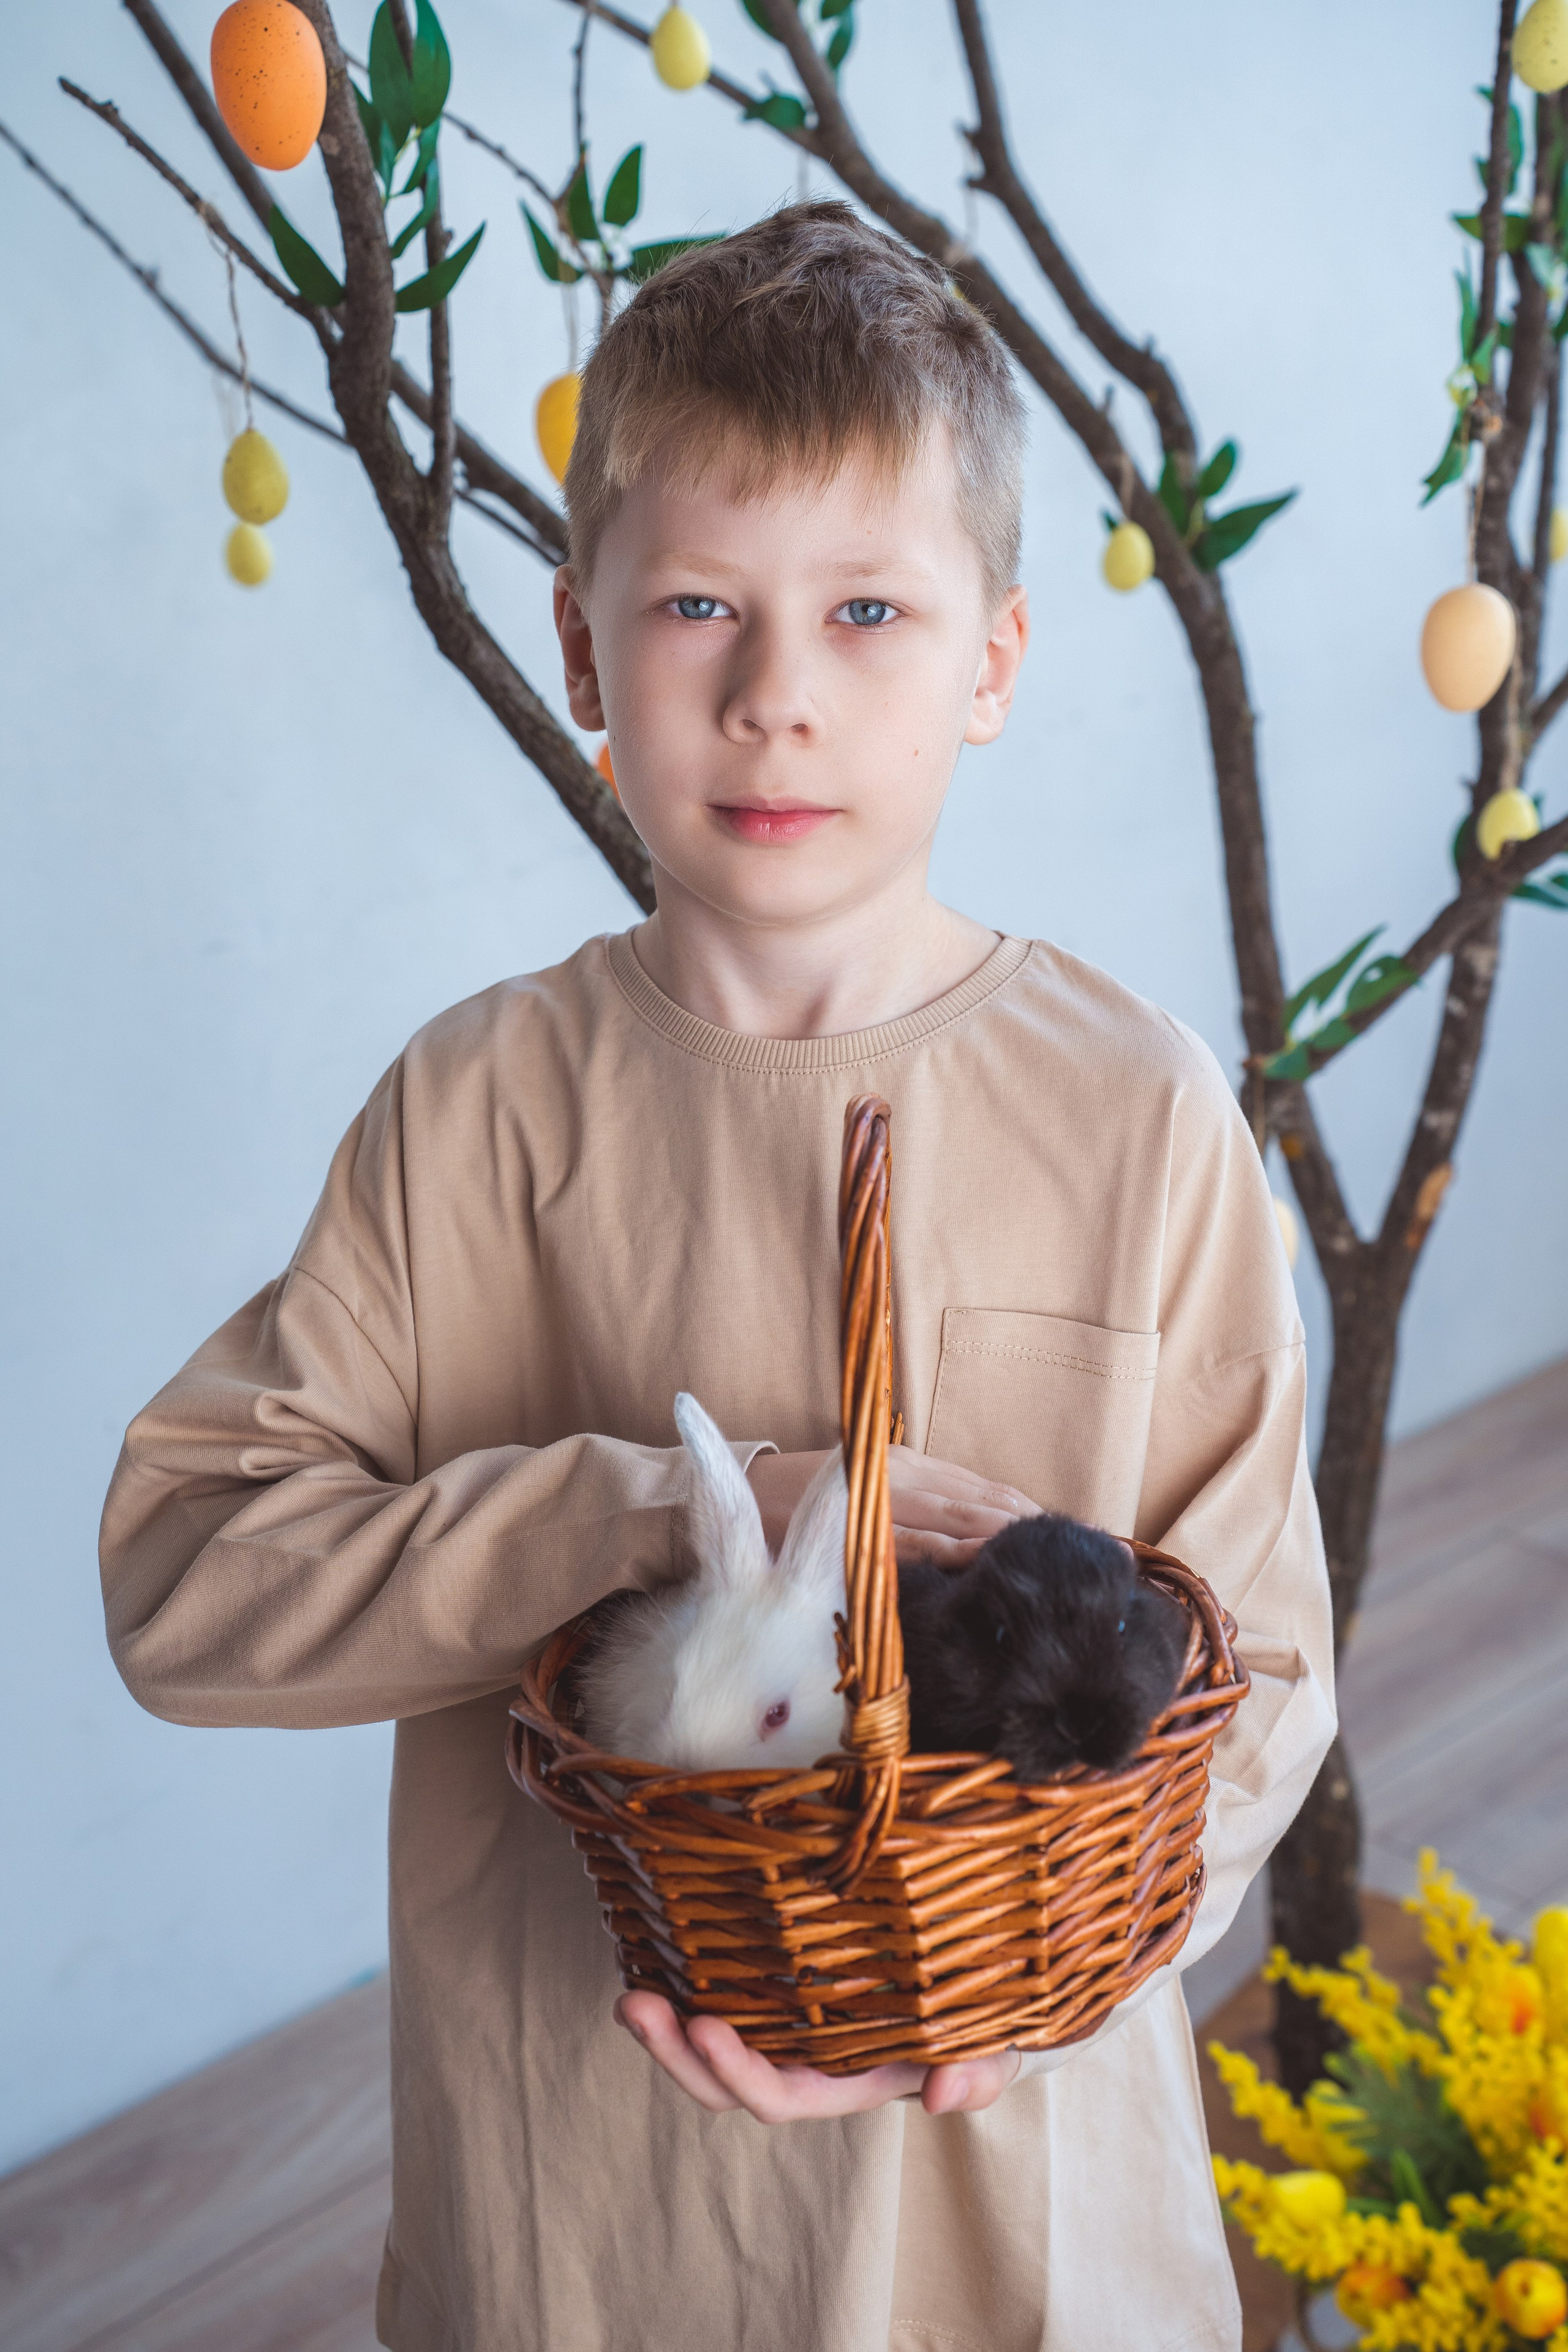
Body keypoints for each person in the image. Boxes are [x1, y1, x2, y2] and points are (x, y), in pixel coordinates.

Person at [101, 202, 1335, 2352]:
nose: (775, 696)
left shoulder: (1143, 1117)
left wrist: (1012, 2006)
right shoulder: (474, 1112)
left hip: (1015, 2203)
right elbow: (188, 1590)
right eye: (697, 607)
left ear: (994, 663)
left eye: (869, 609)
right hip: (582, 2220)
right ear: (584, 653)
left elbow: (1272, 1677)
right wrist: (661, 1512)